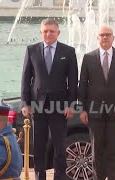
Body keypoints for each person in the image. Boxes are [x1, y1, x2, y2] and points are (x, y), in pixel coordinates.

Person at [21, 18, 78, 180]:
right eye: (45, 31)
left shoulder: (68, 52)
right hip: (37, 106)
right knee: (39, 146)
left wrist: (71, 105)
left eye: (51, 31)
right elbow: (26, 78)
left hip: (60, 107)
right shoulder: (31, 50)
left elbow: (73, 81)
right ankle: (40, 177)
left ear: (58, 33)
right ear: (41, 32)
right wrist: (25, 103)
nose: (48, 34)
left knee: (60, 147)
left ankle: (59, 177)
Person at [78, 25, 115, 180]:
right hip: (94, 112)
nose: (105, 37)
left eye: (108, 35)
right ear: (97, 38)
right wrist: (82, 109)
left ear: (113, 38)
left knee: (113, 151)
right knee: (97, 151)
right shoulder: (89, 58)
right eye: (102, 35)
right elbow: (82, 84)